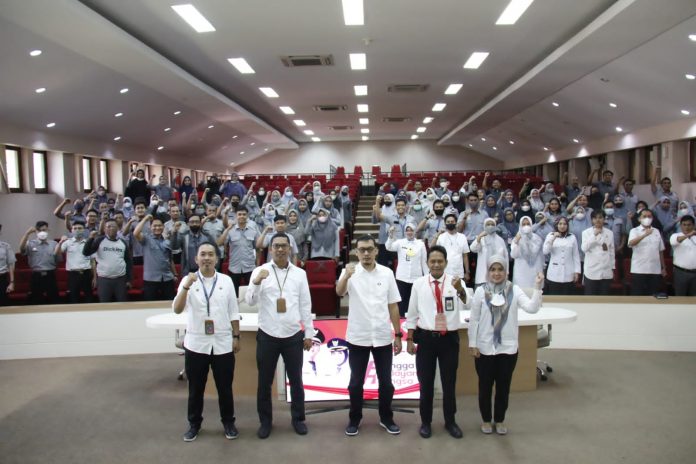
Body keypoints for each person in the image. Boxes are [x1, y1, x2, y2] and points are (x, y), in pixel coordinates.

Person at [245, 233, 314, 439]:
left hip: (293, 334)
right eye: (276, 246)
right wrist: (256, 282)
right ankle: (265, 422)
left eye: (284, 246)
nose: (281, 250)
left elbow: (305, 304)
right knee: (264, 382)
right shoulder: (260, 271)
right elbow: (249, 301)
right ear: (270, 249)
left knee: (296, 380)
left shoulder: (299, 274)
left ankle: (298, 419)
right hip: (268, 334)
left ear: (290, 248)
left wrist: (308, 332)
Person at [468, 255, 543, 435]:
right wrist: (473, 343)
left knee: (503, 387)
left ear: (506, 271)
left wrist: (538, 288)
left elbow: (532, 308)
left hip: (508, 349)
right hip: (484, 348)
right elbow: (474, 319)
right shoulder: (480, 291)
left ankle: (499, 419)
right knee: (485, 387)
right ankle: (486, 419)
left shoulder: (514, 290)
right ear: (488, 272)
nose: (496, 273)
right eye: (493, 269)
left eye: (500, 269)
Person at [173, 242, 241, 442]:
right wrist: (186, 286)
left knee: (225, 388)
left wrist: (236, 336)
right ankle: (194, 424)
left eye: (211, 254)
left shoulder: (226, 280)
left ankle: (228, 422)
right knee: (196, 388)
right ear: (196, 259)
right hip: (196, 344)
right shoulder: (188, 280)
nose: (207, 258)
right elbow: (177, 309)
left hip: (222, 343)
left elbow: (233, 311)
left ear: (217, 259)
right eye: (203, 254)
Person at [336, 235, 402, 436]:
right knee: (356, 382)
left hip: (382, 336)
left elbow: (393, 305)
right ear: (356, 252)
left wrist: (398, 334)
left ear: (376, 251)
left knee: (386, 382)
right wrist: (346, 276)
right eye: (361, 249)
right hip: (358, 336)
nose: (365, 253)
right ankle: (354, 419)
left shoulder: (387, 273)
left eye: (369, 249)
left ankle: (386, 417)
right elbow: (339, 293)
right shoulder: (349, 272)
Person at [405, 245, 469, 439]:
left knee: (449, 382)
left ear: (446, 263)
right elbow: (412, 313)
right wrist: (409, 338)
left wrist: (460, 290)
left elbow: (468, 302)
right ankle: (426, 422)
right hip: (426, 338)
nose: (436, 264)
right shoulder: (419, 284)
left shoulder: (456, 283)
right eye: (432, 261)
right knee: (426, 383)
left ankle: (450, 421)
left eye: (440, 261)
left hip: (449, 338)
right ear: (427, 263)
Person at [83, 219, 132, 302]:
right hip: (104, 279)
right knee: (104, 304)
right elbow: (86, 252)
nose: (111, 228)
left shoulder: (123, 242)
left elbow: (128, 261)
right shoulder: (99, 240)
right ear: (105, 229)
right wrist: (91, 238)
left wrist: (128, 280)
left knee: (122, 304)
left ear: (117, 228)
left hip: (120, 279)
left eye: (113, 226)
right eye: (108, 227)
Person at [385, 222, 427, 316]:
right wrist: (391, 236)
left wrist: (427, 277)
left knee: (414, 301)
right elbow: (389, 247)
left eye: (411, 230)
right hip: (402, 277)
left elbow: (424, 262)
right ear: (405, 232)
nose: (409, 232)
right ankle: (401, 320)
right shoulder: (400, 242)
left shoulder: (420, 244)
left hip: (416, 278)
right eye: (407, 230)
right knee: (402, 302)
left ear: (415, 231)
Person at [218, 207, 260, 295]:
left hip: (250, 267)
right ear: (236, 216)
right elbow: (219, 243)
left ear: (247, 216)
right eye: (239, 214)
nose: (242, 216)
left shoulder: (253, 230)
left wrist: (257, 265)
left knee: (252, 293)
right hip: (234, 268)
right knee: (234, 294)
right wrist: (227, 229)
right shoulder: (230, 230)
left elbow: (258, 248)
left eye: (244, 214)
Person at [134, 215, 176, 300]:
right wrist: (145, 219)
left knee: (169, 304)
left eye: (160, 225)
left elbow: (170, 260)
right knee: (150, 305)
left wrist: (175, 274)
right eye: (155, 226)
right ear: (150, 227)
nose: (157, 227)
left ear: (163, 227)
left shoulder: (167, 241)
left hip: (167, 277)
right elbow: (136, 233)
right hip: (151, 279)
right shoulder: (146, 239)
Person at [627, 209, 666, 296]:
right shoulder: (634, 231)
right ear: (639, 219)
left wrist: (663, 267)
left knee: (653, 295)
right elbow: (631, 243)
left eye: (649, 216)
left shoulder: (656, 231)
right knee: (637, 295)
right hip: (639, 269)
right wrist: (645, 234)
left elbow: (660, 251)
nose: (647, 218)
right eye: (644, 216)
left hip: (654, 269)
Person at [20, 221, 59, 304]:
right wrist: (27, 234)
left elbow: (58, 259)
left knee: (54, 299)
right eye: (39, 230)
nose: (42, 232)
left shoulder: (54, 244)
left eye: (44, 230)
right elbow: (21, 250)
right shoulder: (30, 244)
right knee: (36, 300)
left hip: (50, 275)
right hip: (36, 275)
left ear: (48, 230)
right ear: (36, 231)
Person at [55, 221, 95, 303]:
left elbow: (92, 261)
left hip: (86, 273)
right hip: (73, 274)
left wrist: (94, 277)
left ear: (84, 230)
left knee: (89, 297)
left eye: (80, 228)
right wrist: (60, 242)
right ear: (72, 230)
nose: (77, 230)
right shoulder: (67, 242)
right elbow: (56, 253)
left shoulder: (89, 242)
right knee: (74, 298)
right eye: (75, 228)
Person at [543, 217, 581, 295]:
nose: (562, 226)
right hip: (554, 272)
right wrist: (553, 238)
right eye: (560, 224)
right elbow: (545, 251)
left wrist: (576, 271)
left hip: (568, 272)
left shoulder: (572, 237)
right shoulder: (550, 235)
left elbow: (576, 255)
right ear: (556, 225)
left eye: (564, 224)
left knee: (567, 297)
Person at [581, 210, 615, 295]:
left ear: (604, 219)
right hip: (591, 270)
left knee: (604, 298)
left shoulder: (609, 233)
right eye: (595, 218)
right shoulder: (586, 233)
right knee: (590, 298)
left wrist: (612, 268)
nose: (598, 220)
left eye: (600, 217)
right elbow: (584, 248)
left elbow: (611, 251)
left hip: (606, 269)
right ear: (592, 220)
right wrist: (594, 235)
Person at [431, 213, 471, 282]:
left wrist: (467, 272)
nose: (450, 223)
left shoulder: (462, 237)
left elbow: (465, 256)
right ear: (445, 223)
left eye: (452, 222)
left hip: (458, 272)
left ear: (456, 223)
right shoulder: (441, 237)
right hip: (444, 272)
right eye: (448, 222)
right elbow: (433, 249)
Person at [470, 218, 509, 287]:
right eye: (488, 224)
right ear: (484, 226)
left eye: (492, 224)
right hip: (483, 278)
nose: (490, 226)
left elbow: (505, 257)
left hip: (498, 276)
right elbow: (473, 249)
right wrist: (479, 237)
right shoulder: (481, 239)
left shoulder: (500, 240)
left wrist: (507, 272)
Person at [510, 216, 544, 288]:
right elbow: (514, 255)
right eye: (524, 224)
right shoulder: (517, 238)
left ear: (531, 225)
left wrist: (527, 241)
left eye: (528, 224)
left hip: (534, 269)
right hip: (521, 270)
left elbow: (535, 253)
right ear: (520, 226)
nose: (526, 226)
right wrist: (516, 242)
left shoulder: (537, 238)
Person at [669, 215, 696, 296]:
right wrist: (689, 235)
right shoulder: (675, 235)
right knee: (680, 297)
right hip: (680, 272)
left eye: (689, 225)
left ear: (694, 225)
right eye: (684, 225)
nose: (687, 227)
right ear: (680, 225)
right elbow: (675, 241)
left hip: (695, 273)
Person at [0, 224, 17, 306]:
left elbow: (11, 264)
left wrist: (12, 282)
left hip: (2, 279)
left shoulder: (5, 246)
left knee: (3, 304)